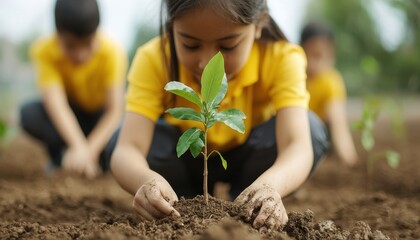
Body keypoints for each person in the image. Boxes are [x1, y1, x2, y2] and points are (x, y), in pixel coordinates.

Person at [109, 0, 329, 230]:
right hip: (183, 161)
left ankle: (249, 199)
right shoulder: (154, 58)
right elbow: (127, 148)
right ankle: (178, 199)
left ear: (259, 24)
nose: (207, 63)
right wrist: (146, 181)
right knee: (120, 137)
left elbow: (298, 146)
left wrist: (271, 185)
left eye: (228, 46)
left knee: (311, 129)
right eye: (190, 45)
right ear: (172, 26)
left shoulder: (281, 57)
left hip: (251, 159)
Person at [20, 0, 127, 179]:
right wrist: (78, 146)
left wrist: (88, 150)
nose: (80, 55)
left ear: (96, 33)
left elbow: (114, 111)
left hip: (99, 119)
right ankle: (62, 157)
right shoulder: (44, 51)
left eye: (87, 44)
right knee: (29, 114)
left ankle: (97, 160)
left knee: (122, 131)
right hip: (70, 117)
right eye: (70, 46)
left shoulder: (113, 53)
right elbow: (57, 106)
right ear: (58, 34)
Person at [300, 22, 358, 167]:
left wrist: (349, 158)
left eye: (324, 56)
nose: (318, 63)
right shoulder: (294, 76)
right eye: (313, 55)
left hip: (320, 135)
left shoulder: (331, 81)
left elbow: (338, 123)